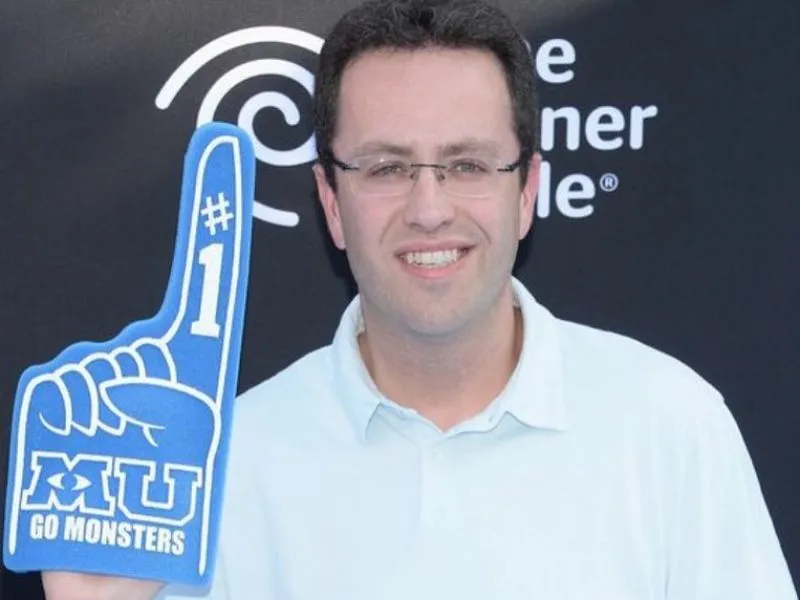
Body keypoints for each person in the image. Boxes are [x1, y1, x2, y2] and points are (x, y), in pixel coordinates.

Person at [42, 0, 797, 598]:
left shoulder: (669, 424)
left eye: (466, 164)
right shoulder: (225, 463)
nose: (429, 209)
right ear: (331, 202)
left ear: (527, 192)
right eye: (386, 167)